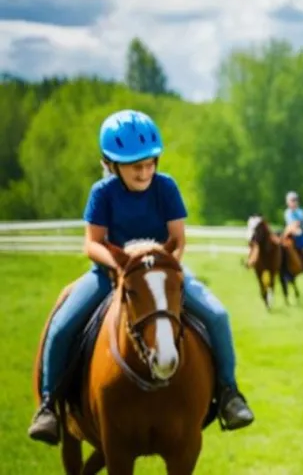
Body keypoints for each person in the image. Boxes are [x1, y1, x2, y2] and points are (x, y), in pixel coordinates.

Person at [28, 110, 255, 445]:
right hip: (110, 276)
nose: (145, 172)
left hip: (163, 276)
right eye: (136, 166)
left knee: (218, 315)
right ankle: (49, 405)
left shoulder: (166, 188)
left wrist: (169, 269)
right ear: (112, 164)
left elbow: (178, 240)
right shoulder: (102, 193)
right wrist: (120, 265)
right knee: (61, 326)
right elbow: (92, 243)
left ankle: (229, 394)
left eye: (150, 163)